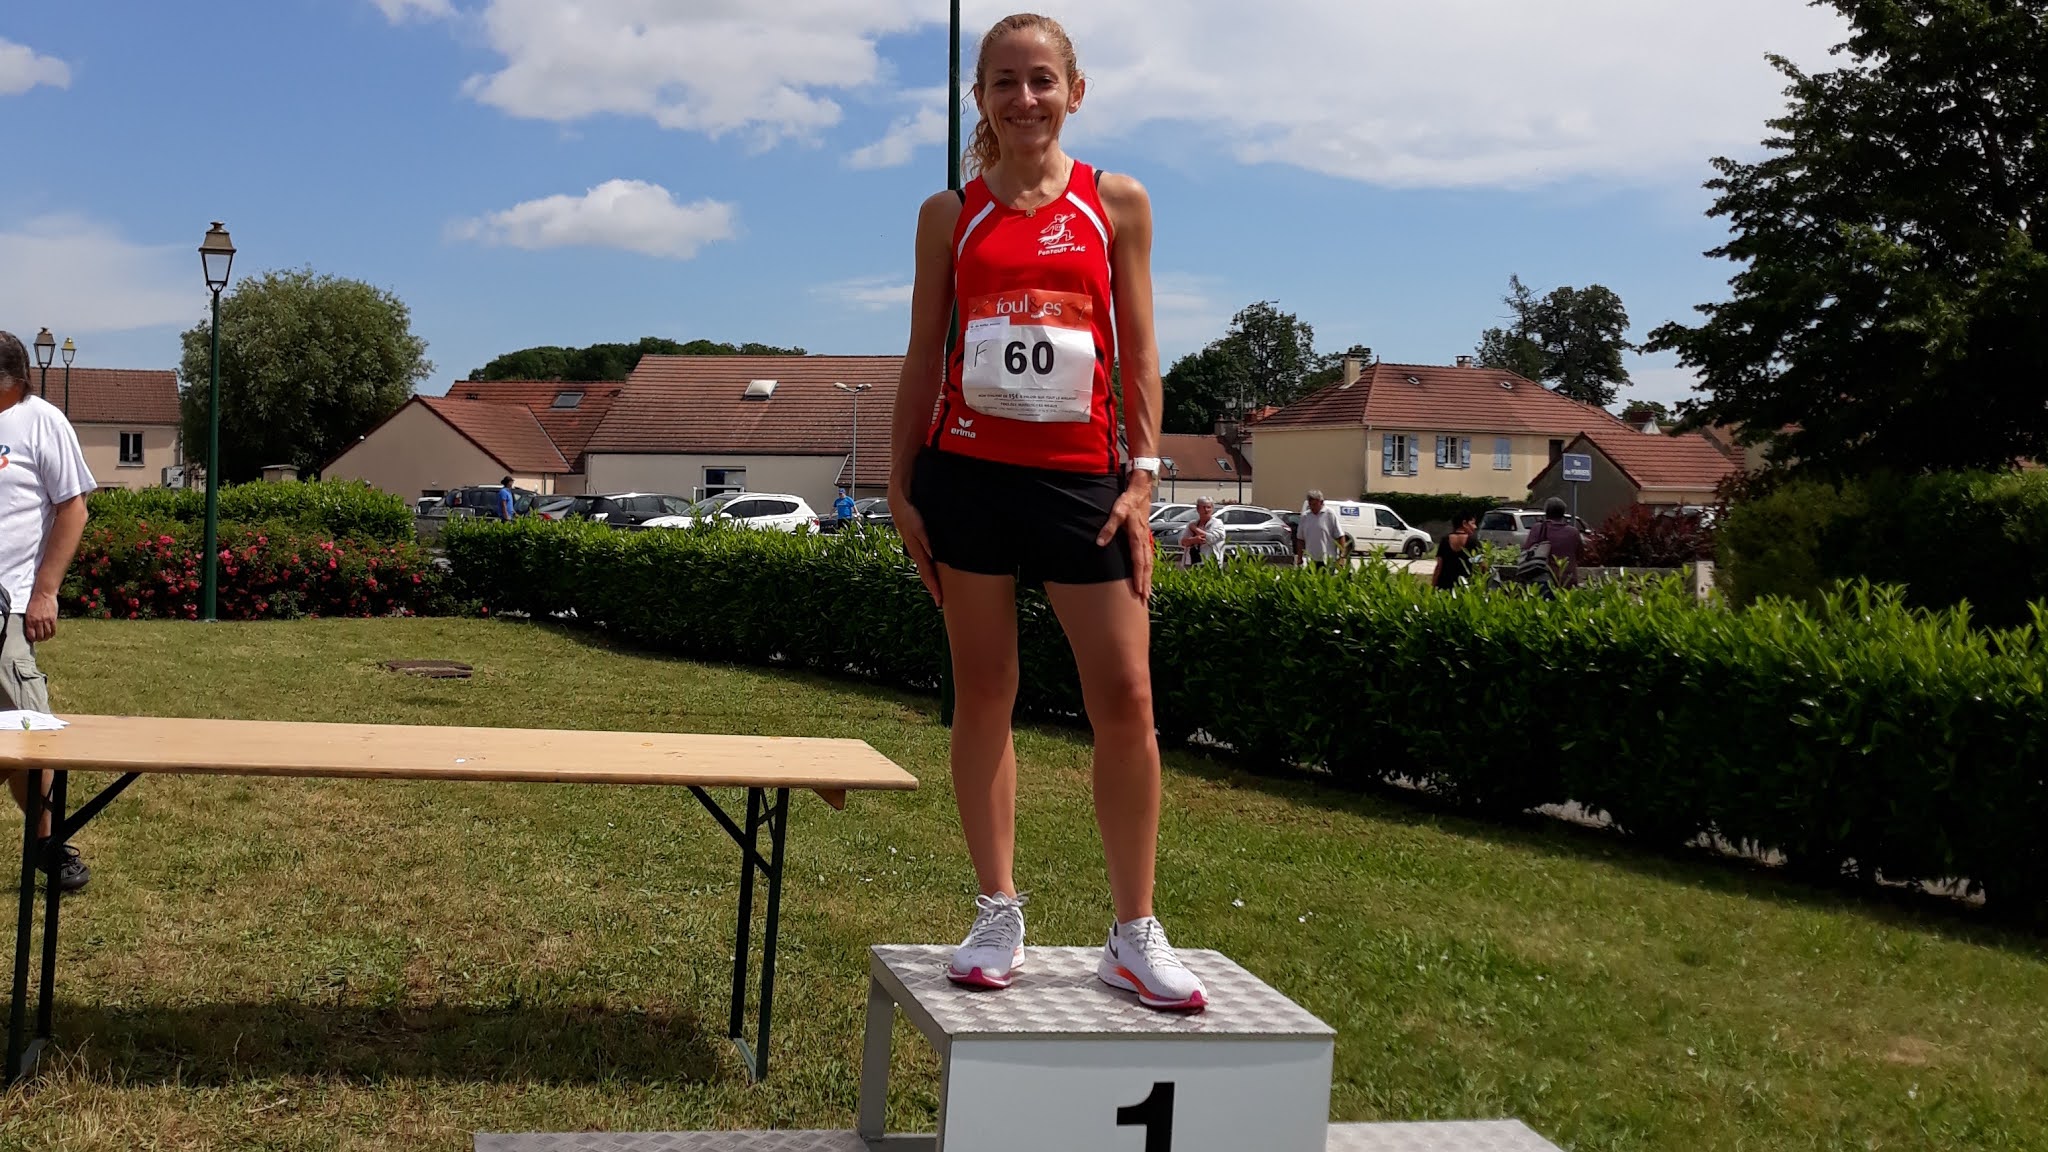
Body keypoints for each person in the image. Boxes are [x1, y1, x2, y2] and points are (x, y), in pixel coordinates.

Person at [888, 13, 1206, 1011]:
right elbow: (923, 352)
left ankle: (1133, 932)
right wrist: (899, 483)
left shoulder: (1115, 202)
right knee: (984, 690)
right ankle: (997, 911)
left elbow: (1140, 350)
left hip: (1083, 485)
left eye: (1040, 81)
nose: (1023, 99)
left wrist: (1143, 478)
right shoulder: (949, 214)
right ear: (978, 98)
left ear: (1074, 90)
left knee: (1128, 700)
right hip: (969, 478)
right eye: (1002, 83)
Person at [0, 330, 95, 892]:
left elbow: (73, 508)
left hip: (7, 608)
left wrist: (44, 591)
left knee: (29, 733)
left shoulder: (41, 422)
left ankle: (48, 845)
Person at [1519, 497, 1584, 592]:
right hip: (1568, 580)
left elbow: (1527, 551)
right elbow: (1580, 555)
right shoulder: (1573, 532)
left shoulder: (1538, 528)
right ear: (1563, 513)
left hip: (1543, 579)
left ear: (1546, 512)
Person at [1295, 489, 1342, 567]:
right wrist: (1300, 557)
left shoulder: (1330, 514)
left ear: (1321, 502)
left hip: (1327, 560)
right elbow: (1300, 539)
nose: (1312, 507)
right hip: (1311, 560)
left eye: (1315, 504)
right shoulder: (1305, 516)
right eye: (1310, 504)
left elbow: (1340, 536)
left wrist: (1342, 557)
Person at [1177, 498, 1227, 568]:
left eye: (1208, 507)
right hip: (1191, 561)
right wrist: (1194, 540)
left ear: (1212, 509)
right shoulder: (1193, 523)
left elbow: (1210, 538)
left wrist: (1195, 529)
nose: (1206, 510)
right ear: (1198, 509)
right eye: (1203, 507)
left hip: (1209, 562)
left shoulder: (1217, 523)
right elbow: (1182, 542)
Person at [1432, 513, 1478, 589]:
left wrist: (1433, 586)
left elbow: (1439, 566)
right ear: (1464, 523)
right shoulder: (1473, 542)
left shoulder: (1444, 540)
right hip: (1466, 586)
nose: (1475, 527)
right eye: (1473, 523)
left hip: (1445, 585)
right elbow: (1481, 565)